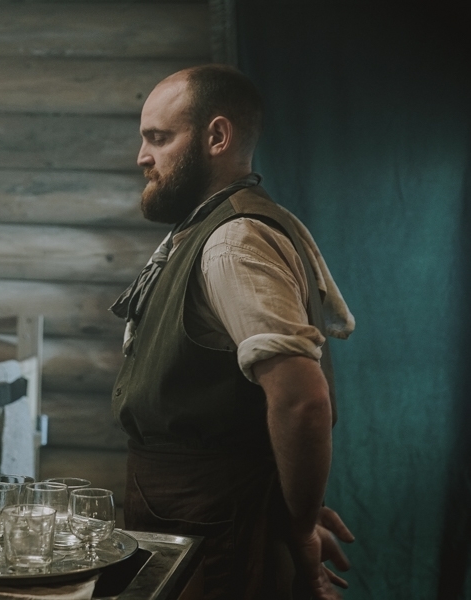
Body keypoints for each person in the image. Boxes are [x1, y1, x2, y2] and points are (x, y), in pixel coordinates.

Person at [110, 65, 356, 599]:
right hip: (192, 519)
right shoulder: (209, 229)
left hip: (218, 531)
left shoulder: (233, 242)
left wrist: (298, 525)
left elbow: (302, 402)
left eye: (159, 138)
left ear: (217, 136)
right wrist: (296, 511)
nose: (143, 156)